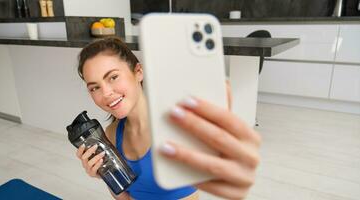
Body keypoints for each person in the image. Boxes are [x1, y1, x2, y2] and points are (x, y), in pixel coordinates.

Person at [75, 37, 261, 200]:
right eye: (94, 87)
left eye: (113, 77)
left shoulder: (176, 127)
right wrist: (107, 175)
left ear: (138, 72)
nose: (106, 93)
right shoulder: (113, 134)